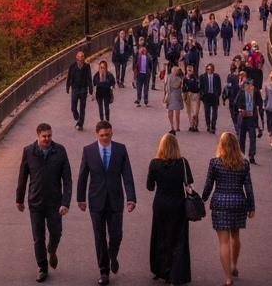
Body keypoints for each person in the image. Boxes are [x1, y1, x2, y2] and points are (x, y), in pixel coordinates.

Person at [77, 120, 138, 284]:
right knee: (99, 236)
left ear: (112, 133)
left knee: (116, 234)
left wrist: (131, 198)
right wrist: (80, 199)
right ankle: (103, 271)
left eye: (107, 134)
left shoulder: (120, 149)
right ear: (97, 135)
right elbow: (83, 176)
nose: (105, 138)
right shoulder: (88, 150)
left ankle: (112, 255)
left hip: (115, 199)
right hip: (96, 200)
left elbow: (127, 175)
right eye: (102, 135)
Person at [17, 123, 74, 282]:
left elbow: (67, 179)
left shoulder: (60, 151)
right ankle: (42, 268)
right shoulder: (29, 151)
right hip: (35, 202)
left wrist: (66, 202)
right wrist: (19, 199)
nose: (47, 139)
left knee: (56, 232)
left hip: (55, 202)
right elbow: (22, 177)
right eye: (44, 136)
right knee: (38, 237)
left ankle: (52, 248)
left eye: (49, 135)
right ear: (38, 136)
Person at [203, 132, 256, 286]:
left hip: (220, 202)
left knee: (223, 242)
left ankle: (228, 278)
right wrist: (251, 207)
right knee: (235, 235)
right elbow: (249, 188)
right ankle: (234, 265)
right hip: (238, 202)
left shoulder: (215, 163)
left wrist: (202, 199)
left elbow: (208, 185)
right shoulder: (244, 163)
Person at [146, 133, 193, 284]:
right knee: (178, 238)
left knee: (160, 236)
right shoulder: (183, 163)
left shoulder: (155, 163)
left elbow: (150, 187)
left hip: (161, 204)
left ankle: (160, 269)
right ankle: (176, 272)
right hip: (178, 204)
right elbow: (189, 185)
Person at [234, 78, 263, 164]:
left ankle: (251, 155)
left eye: (251, 85)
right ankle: (241, 154)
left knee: (252, 137)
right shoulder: (241, 92)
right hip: (243, 116)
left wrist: (258, 107)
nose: (250, 87)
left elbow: (260, 102)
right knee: (242, 137)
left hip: (251, 117)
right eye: (249, 85)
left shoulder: (256, 92)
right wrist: (240, 109)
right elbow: (236, 103)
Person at [68, 51, 93, 131]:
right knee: (73, 107)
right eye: (79, 58)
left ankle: (80, 123)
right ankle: (77, 116)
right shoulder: (72, 66)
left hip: (83, 89)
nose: (81, 59)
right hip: (75, 88)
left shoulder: (87, 66)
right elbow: (69, 77)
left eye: (82, 57)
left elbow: (89, 78)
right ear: (76, 58)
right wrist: (67, 86)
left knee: (82, 107)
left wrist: (90, 89)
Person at [200, 63, 223, 133]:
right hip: (206, 96)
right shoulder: (203, 77)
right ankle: (208, 125)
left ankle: (213, 125)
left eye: (210, 69)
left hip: (214, 96)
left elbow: (219, 86)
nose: (209, 71)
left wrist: (218, 94)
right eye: (207, 69)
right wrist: (202, 94)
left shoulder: (216, 77)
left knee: (215, 112)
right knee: (207, 112)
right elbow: (201, 86)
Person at [163, 63, 185, 134]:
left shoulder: (178, 78)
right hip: (172, 96)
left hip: (173, 96)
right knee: (174, 112)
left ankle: (174, 126)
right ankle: (174, 127)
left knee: (173, 111)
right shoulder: (176, 78)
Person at [182, 64, 202, 132]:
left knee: (195, 112)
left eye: (191, 69)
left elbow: (197, 86)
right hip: (188, 95)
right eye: (188, 69)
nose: (189, 70)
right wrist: (184, 94)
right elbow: (183, 87)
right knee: (189, 111)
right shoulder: (185, 78)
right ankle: (191, 124)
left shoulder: (196, 77)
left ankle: (195, 125)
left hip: (195, 94)